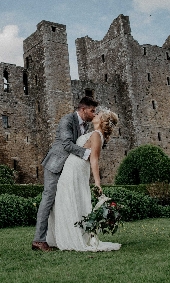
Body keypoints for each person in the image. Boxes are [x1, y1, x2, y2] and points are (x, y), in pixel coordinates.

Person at [46, 108, 121, 252]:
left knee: (69, 198)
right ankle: (64, 236)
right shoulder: (94, 134)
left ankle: (72, 237)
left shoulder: (96, 135)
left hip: (76, 169)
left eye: (98, 114)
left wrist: (97, 183)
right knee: (64, 199)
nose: (95, 115)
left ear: (102, 120)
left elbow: (94, 160)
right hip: (72, 167)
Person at [32, 96, 98, 252]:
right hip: (55, 166)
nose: (94, 114)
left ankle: (60, 237)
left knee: (64, 203)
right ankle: (38, 240)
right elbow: (67, 144)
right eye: (92, 111)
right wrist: (87, 154)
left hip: (70, 168)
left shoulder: (86, 126)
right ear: (83, 109)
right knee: (48, 200)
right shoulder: (66, 120)